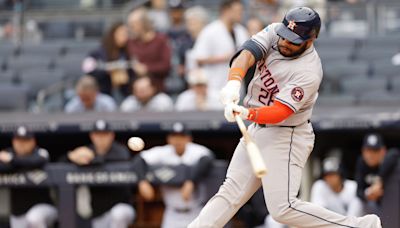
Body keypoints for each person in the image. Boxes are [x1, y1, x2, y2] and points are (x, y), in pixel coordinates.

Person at [188, 7, 382, 228]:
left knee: (283, 208)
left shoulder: (308, 70)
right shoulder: (275, 32)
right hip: (258, 128)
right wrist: (234, 81)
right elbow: (247, 53)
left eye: (293, 41)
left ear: (310, 40)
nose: (284, 43)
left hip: (287, 134)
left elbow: (281, 112)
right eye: (284, 36)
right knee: (230, 192)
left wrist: (246, 112)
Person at [136, 122, 214, 228]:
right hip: (172, 214)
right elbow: (139, 159)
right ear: (169, 139)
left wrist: (190, 181)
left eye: (181, 136)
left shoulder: (195, 150)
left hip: (196, 212)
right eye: (174, 136)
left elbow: (208, 159)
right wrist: (142, 181)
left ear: (188, 139)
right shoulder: (163, 152)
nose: (178, 140)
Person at [62, 119, 135, 228]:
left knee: (118, 214)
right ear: (92, 136)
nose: (101, 139)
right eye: (98, 135)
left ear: (112, 135)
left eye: (105, 135)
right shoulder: (87, 150)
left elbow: (116, 159)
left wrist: (91, 159)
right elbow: (61, 163)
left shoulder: (120, 151)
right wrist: (71, 156)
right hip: (97, 213)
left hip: (121, 207)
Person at [0, 126, 57, 228]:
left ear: (33, 141)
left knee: (34, 218)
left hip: (44, 208)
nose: (21, 144)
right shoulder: (9, 153)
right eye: (18, 141)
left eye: (25, 141)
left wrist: (12, 160)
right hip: (18, 212)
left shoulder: (40, 152)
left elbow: (37, 161)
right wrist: (14, 161)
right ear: (13, 141)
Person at [192, 0, 248, 94]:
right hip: (214, 86)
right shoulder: (210, 31)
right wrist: (224, 57)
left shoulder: (241, 31)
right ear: (226, 11)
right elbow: (199, 58)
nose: (240, 14)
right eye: (237, 11)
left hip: (237, 86)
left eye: (241, 11)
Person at [82, 22, 132, 101]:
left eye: (126, 34)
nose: (124, 36)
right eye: (121, 33)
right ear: (113, 34)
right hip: (103, 93)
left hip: (125, 94)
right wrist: (107, 69)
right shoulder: (99, 52)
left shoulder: (127, 52)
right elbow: (87, 68)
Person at [127, 7, 171, 92]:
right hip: (135, 90)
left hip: (157, 88)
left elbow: (166, 65)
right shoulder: (130, 42)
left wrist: (147, 68)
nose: (131, 28)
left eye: (133, 24)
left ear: (143, 24)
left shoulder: (160, 40)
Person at [355, 133, 399, 215]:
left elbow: (395, 153)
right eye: (368, 151)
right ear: (363, 151)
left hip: (390, 204)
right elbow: (359, 192)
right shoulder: (361, 163)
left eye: (375, 151)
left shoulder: (388, 161)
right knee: (358, 202)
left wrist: (379, 181)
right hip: (372, 204)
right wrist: (369, 194)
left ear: (383, 151)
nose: (371, 155)